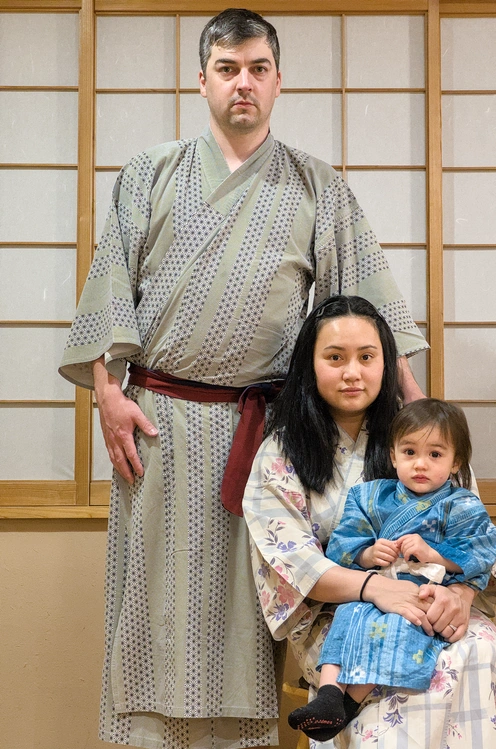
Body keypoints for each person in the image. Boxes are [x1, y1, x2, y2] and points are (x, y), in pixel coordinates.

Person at [58, 9, 428, 749]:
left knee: (249, 605)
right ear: (202, 81)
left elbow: (366, 314)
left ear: (278, 81)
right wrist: (108, 395)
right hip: (157, 420)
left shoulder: (317, 186)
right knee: (153, 603)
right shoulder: (149, 174)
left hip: (271, 438)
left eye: (258, 69)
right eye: (228, 70)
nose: (243, 83)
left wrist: (417, 412)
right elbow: (111, 291)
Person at [244, 296, 496, 749]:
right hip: (340, 615)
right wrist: (376, 588)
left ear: (386, 362)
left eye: (367, 357)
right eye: (335, 358)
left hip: (435, 593)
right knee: (411, 666)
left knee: (476, 647)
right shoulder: (282, 452)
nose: (353, 372)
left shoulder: (424, 437)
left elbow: (475, 536)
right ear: (310, 366)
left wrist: (460, 595)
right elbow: (294, 563)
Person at [287, 398, 496, 741]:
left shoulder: (461, 504)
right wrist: (368, 553)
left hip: (424, 593)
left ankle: (348, 705)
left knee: (400, 628)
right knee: (348, 615)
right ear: (392, 455)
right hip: (375, 586)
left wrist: (435, 553)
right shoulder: (370, 496)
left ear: (455, 461)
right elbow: (343, 545)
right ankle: (329, 695)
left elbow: (483, 549)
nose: (421, 464)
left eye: (435, 455)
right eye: (409, 452)